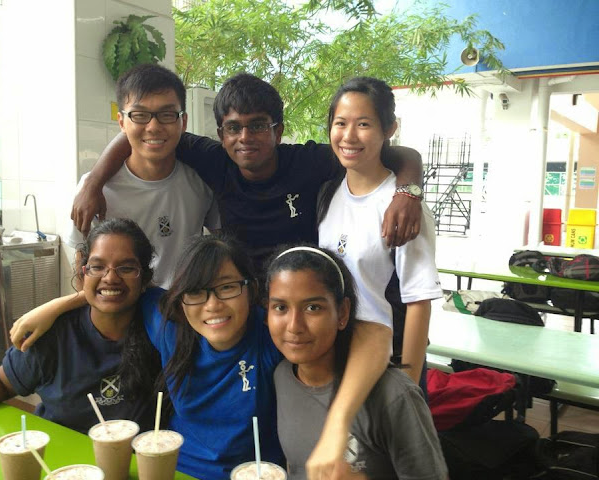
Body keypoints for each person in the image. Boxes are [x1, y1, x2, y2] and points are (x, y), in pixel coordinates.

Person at [11, 234, 393, 480]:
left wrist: (338, 424)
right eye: (196, 292)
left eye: (227, 287)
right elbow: (121, 288)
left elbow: (375, 334)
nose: (212, 305)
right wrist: (57, 305)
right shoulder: (170, 325)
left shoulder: (267, 332)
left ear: (251, 291)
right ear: (181, 298)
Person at [70, 73, 424, 275]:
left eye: (257, 126)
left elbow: (401, 154)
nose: (245, 138)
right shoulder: (214, 160)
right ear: (221, 134)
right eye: (233, 128)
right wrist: (94, 183)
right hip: (240, 299)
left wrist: (407, 193)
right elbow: (142, 133)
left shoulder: (308, 161)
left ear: (278, 131)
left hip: (301, 294)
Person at [0, 218, 160, 434]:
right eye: (97, 267)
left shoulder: (161, 330)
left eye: (126, 268)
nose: (110, 277)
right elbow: (2, 381)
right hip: (59, 451)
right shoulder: (56, 331)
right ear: (84, 273)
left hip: (136, 453)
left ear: (144, 278)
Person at [266, 245, 448, 479]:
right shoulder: (282, 376)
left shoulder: (393, 395)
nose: (294, 326)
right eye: (280, 307)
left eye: (313, 308)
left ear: (342, 313)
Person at [318, 77, 443, 390]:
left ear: (390, 129)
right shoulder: (327, 193)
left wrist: (407, 385)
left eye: (363, 124)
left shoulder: (403, 208)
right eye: (340, 123)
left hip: (387, 367)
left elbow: (418, 302)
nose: (349, 136)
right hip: (337, 361)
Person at [67, 63, 219, 289]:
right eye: (139, 115)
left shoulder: (202, 182)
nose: (153, 126)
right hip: (122, 306)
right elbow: (83, 267)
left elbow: (220, 246)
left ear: (183, 122)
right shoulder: (96, 190)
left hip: (184, 305)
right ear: (122, 122)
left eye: (167, 115)